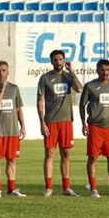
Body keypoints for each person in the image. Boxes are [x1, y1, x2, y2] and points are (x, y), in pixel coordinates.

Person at [36, 50, 82, 196]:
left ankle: (66, 187)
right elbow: (40, 101)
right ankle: (48, 187)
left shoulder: (68, 77)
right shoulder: (45, 78)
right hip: (51, 122)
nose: (58, 62)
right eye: (55, 60)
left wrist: (72, 72)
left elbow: (79, 88)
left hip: (66, 121)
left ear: (64, 61)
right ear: (51, 61)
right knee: (49, 153)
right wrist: (42, 122)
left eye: (61, 59)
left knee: (66, 154)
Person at [80, 59, 109, 198]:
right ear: (97, 70)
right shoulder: (90, 86)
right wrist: (83, 124)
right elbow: (82, 105)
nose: (105, 72)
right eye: (102, 70)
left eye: (107, 70)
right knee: (93, 158)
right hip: (95, 127)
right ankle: (93, 188)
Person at [0, 61, 25, 198]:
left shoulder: (14, 89)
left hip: (12, 131)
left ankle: (11, 189)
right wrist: (2, 89)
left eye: (4, 70)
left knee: (12, 160)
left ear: (8, 72)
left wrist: (23, 126)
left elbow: (18, 108)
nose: (1, 73)